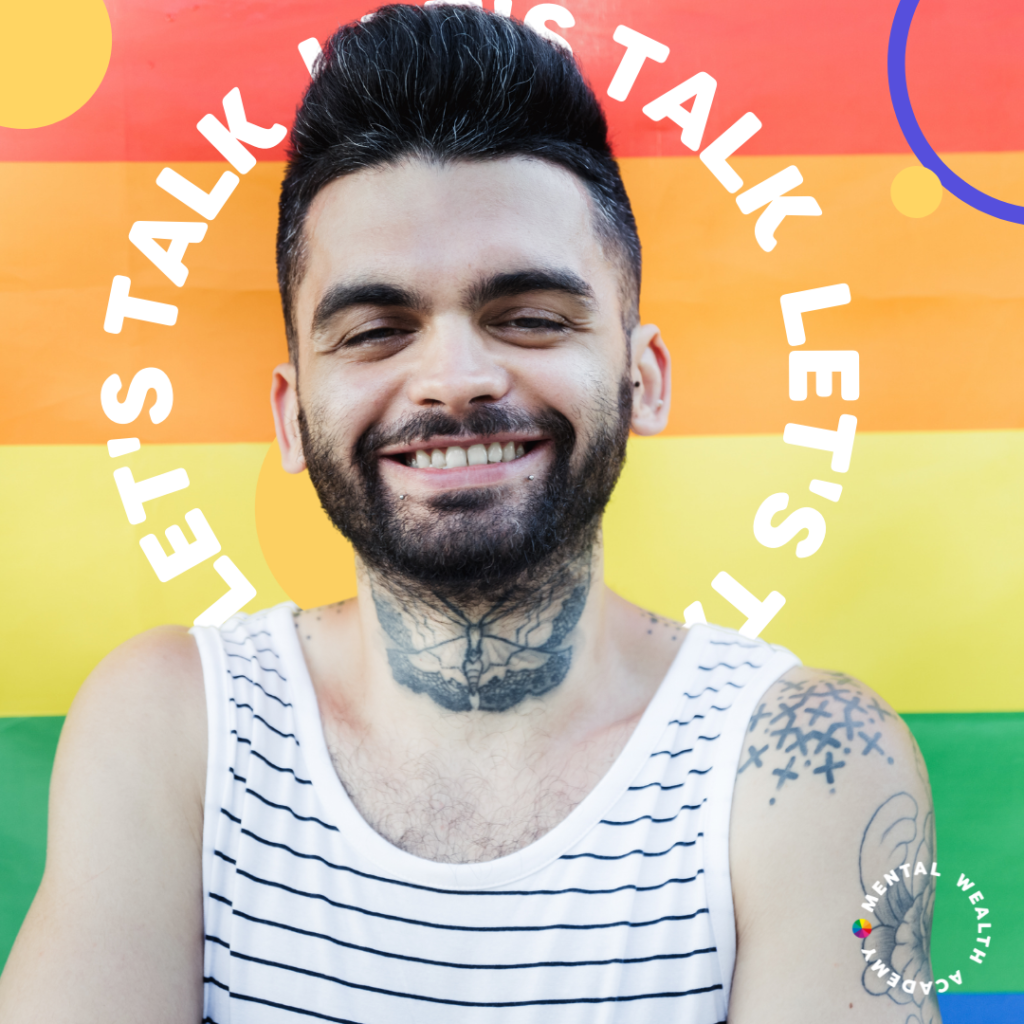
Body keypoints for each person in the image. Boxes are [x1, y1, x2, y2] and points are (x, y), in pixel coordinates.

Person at [0, 6, 941, 1022]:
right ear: (290, 413)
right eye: (374, 331)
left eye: (529, 318)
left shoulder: (803, 760)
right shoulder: (170, 726)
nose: (453, 378)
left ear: (643, 377)